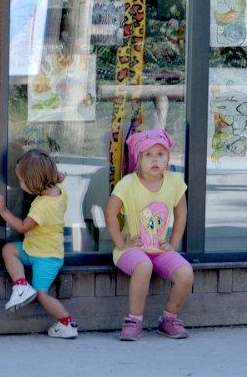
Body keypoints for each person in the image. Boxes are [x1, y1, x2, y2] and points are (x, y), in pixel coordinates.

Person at [104, 128, 193, 341]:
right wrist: (121, 243)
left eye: (160, 154)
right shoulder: (128, 183)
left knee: (185, 273)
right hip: (131, 250)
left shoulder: (175, 182)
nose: (155, 159)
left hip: (159, 249)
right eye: (148, 155)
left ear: (168, 158)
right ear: (138, 159)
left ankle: (168, 319)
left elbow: (181, 215)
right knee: (144, 266)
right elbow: (110, 213)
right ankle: (134, 320)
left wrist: (173, 244)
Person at [0, 149, 78, 339]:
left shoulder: (42, 206)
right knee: (9, 249)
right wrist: (59, 175)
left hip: (47, 258)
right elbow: (58, 178)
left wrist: (4, 211)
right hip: (33, 249)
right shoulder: (59, 190)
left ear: (34, 183)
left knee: (41, 294)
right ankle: (21, 285)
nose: (20, 184)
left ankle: (67, 323)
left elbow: (23, 227)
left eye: (21, 181)